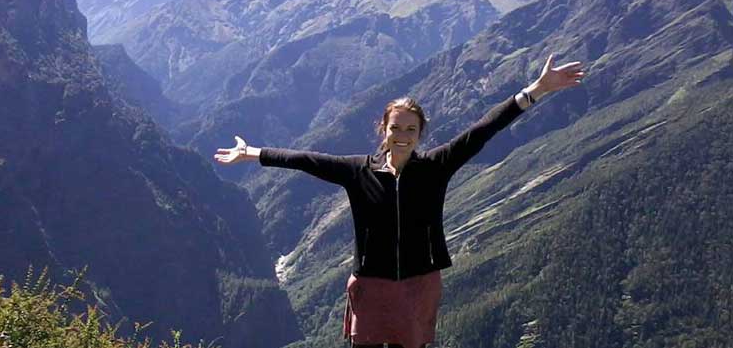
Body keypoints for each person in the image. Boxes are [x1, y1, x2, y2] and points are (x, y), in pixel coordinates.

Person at [214, 54, 585, 348]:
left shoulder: (436, 167)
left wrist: (537, 90)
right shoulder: (358, 170)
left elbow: (483, 130)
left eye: (411, 129)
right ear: (384, 129)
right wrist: (253, 154)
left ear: (421, 132)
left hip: (418, 283)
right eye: (396, 128)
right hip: (371, 284)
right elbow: (307, 160)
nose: (403, 135)